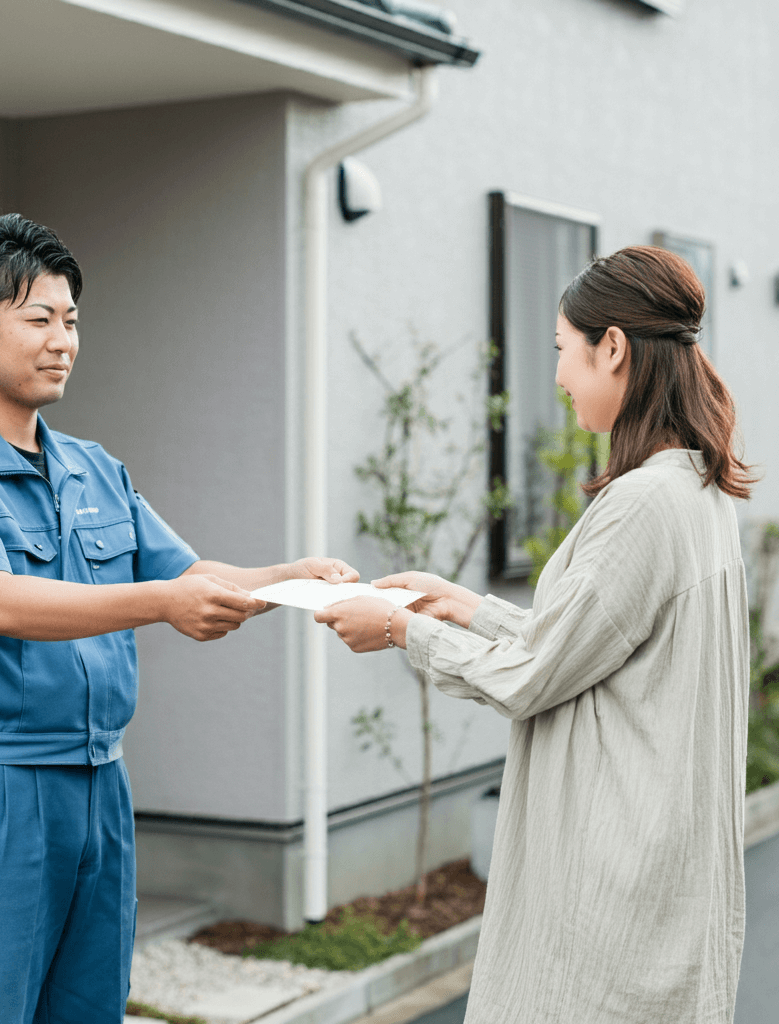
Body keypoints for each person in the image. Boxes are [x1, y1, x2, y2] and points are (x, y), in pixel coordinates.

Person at [0, 213, 357, 1024]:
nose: (63, 340)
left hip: (99, 783)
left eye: (71, 321)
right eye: (39, 319)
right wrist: (164, 606)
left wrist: (286, 577)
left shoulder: (92, 468)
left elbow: (187, 573)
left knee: (90, 1008)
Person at [316, 246, 753, 1023]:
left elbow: (536, 675)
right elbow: (595, 645)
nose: (557, 377)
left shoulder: (643, 504)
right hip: (662, 881)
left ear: (612, 346)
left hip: (611, 892)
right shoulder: (695, 490)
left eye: (562, 351)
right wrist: (463, 604)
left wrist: (397, 631)